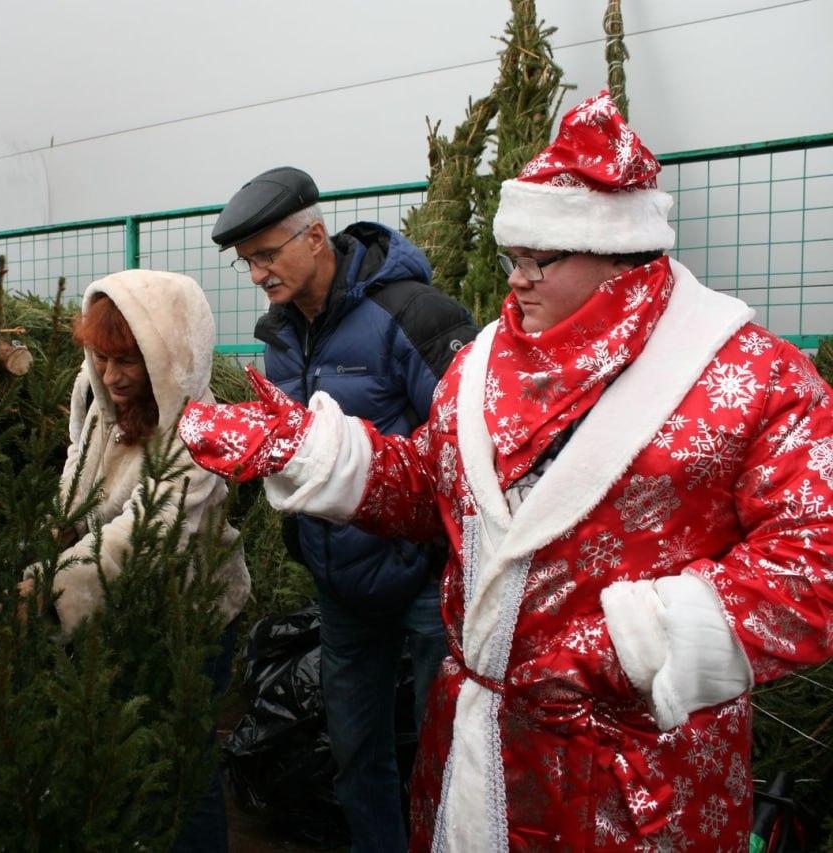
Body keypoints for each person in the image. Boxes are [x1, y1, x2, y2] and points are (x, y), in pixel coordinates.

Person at [179, 91, 833, 850]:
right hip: (475, 760)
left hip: (633, 780)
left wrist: (634, 649)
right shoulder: (483, 363)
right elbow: (431, 488)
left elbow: (813, 565)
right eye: (510, 258)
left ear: (620, 257)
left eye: (537, 260)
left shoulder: (749, 378)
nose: (515, 281)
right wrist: (319, 454)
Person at [210, 166, 476, 850]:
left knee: (444, 753)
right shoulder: (279, 337)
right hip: (341, 585)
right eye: (248, 262)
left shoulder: (414, 315)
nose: (257, 275)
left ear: (316, 234)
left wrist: (428, 552)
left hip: (422, 581)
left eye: (266, 255)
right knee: (357, 749)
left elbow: (468, 444)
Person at [22, 269, 251, 852]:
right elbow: (80, 465)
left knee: (182, 766)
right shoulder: (97, 394)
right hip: (117, 606)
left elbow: (147, 532)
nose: (112, 376)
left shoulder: (201, 432)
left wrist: (50, 589)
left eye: (129, 361)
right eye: (101, 358)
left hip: (190, 613)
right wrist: (59, 525)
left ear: (167, 358)